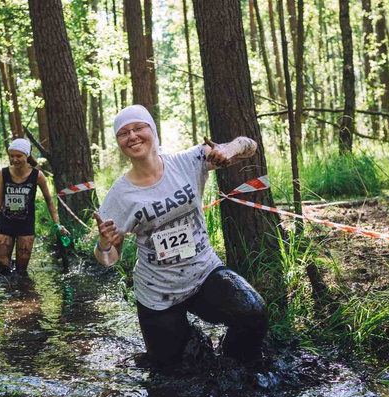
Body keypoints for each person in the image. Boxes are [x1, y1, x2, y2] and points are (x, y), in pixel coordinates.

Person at [94, 105, 268, 366]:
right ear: (119, 143)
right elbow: (109, 259)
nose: (132, 136)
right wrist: (104, 244)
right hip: (158, 293)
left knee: (253, 312)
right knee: (171, 371)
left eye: (139, 128)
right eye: (124, 133)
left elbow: (249, 145)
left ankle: (235, 370)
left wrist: (227, 149)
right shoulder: (118, 197)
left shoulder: (188, 162)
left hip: (203, 272)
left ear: (152, 130)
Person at [0, 138, 69, 277]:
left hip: (26, 226)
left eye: (18, 156)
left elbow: (49, 201)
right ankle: (7, 297)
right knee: (2, 270)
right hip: (5, 224)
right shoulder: (3, 174)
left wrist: (57, 224)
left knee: (21, 272)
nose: (15, 159)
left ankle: (22, 295)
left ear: (26, 156)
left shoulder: (37, 175)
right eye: (12, 156)